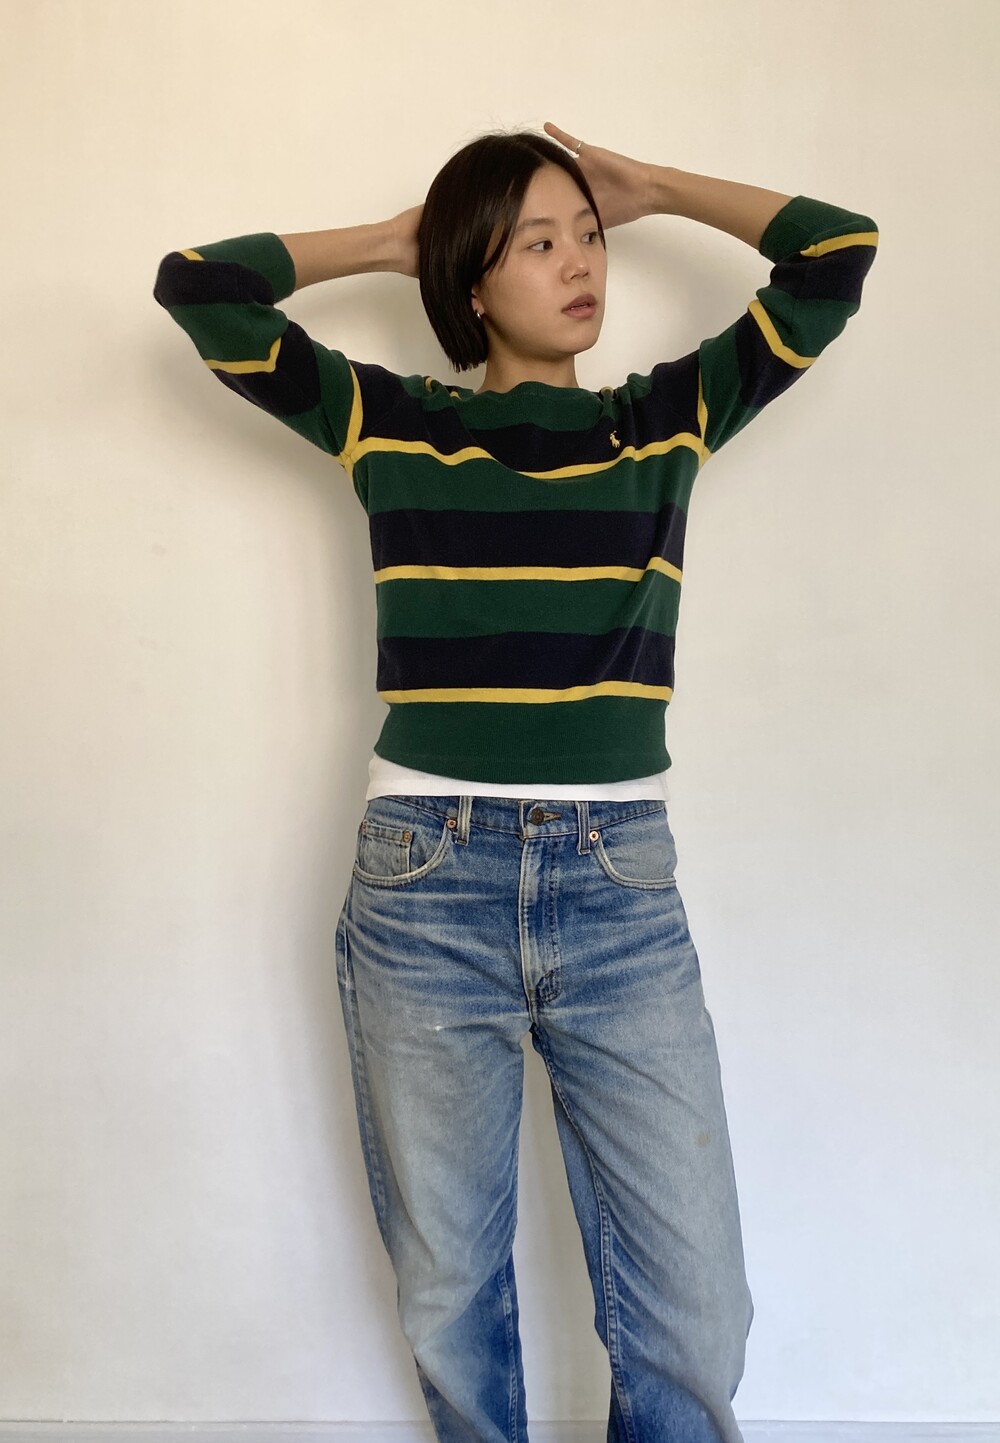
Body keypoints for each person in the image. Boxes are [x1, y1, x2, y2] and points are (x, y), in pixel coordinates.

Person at [154, 121, 878, 1443]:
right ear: (474, 281)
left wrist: (657, 186)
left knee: (697, 1310)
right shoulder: (393, 423)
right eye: (537, 241)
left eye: (589, 235)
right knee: (453, 1291)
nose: (581, 261)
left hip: (620, 888)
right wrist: (402, 241)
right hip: (425, 884)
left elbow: (836, 253)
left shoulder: (664, 421)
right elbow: (200, 287)